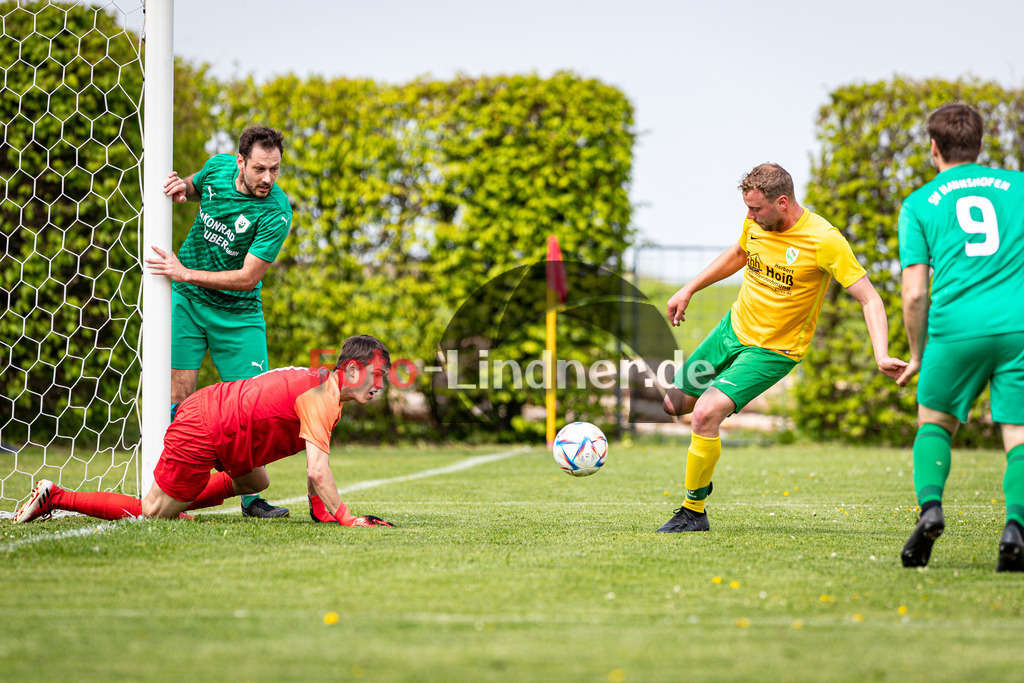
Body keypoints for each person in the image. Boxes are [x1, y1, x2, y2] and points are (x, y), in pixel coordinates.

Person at [659, 163, 906, 533]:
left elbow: (869, 298)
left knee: (704, 415)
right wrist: (689, 288)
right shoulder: (755, 225)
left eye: (756, 209)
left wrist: (881, 353)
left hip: (774, 350)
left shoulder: (824, 241)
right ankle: (705, 467)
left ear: (782, 202)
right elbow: (739, 254)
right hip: (732, 330)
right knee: (674, 405)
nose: (749, 216)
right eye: (747, 208)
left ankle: (693, 511)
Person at [14, 335, 395, 528]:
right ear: (352, 371)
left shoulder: (324, 387)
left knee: (254, 480)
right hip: (207, 428)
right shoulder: (323, 399)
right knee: (152, 513)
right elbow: (316, 470)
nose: (381, 386)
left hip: (220, 419)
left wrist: (319, 511)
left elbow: (314, 463)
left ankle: (180, 501)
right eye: (377, 376)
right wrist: (345, 517)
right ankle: (55, 497)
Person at [896, 103, 1024, 572]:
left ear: (934, 148)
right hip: (1019, 327)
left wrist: (917, 353)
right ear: (981, 143)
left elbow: (914, 295)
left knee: (935, 423)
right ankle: (1016, 526)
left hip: (954, 329)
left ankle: (930, 509)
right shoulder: (1020, 188)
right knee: (1018, 433)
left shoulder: (919, 203)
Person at [147, 125, 293, 519]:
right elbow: (194, 188)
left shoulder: (278, 212)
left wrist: (184, 272)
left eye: (275, 169)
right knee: (177, 393)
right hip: (190, 304)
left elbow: (248, 277)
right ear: (240, 162)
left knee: (252, 407)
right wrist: (182, 189)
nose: (268, 178)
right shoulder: (216, 169)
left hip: (239, 316)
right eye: (260, 168)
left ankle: (251, 499)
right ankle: (171, 489)